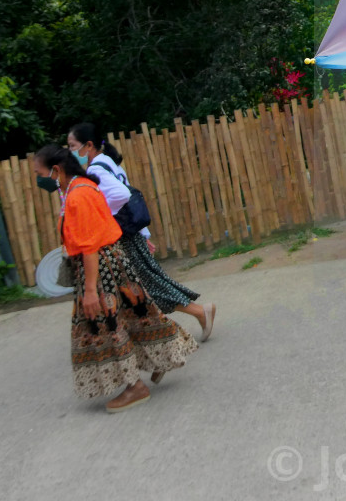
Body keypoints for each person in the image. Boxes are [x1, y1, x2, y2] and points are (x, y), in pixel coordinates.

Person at [33, 145, 197, 412]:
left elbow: (89, 246)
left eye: (40, 172)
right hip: (109, 263)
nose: (39, 178)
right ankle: (161, 360)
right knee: (137, 316)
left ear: (56, 170)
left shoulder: (78, 195)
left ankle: (135, 387)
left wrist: (89, 290)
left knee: (106, 328)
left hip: (99, 270)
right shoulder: (79, 187)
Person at [67, 123, 217, 341]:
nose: (70, 151)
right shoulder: (108, 161)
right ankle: (195, 314)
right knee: (148, 284)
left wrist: (104, 220)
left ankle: (196, 314)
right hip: (132, 235)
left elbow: (121, 195)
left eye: (72, 146)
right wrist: (144, 235)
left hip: (123, 239)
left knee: (143, 289)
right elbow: (128, 195)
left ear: (88, 145)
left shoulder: (95, 170)